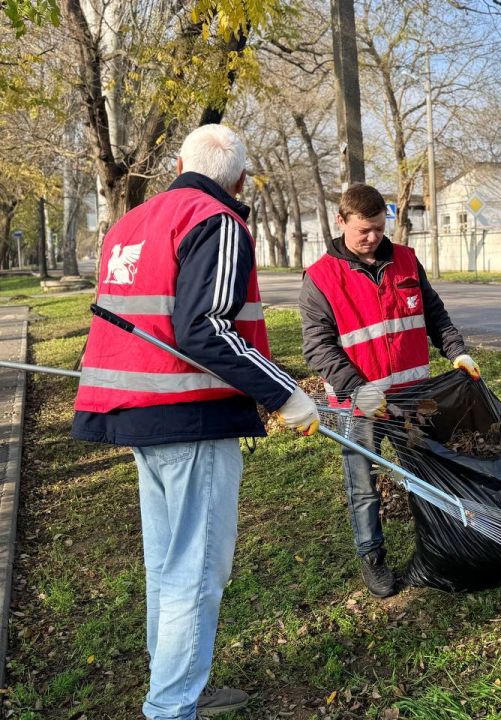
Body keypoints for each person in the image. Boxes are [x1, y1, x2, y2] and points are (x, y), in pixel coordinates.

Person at [72, 124, 320, 720]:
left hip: (133, 416)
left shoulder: (130, 222)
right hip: (189, 419)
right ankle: (172, 706)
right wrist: (286, 395)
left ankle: (177, 686)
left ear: (178, 161)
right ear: (238, 179)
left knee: (169, 565)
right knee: (197, 570)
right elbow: (206, 328)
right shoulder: (218, 220)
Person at [299, 183, 479, 598]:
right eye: (364, 230)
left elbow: (434, 313)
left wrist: (457, 351)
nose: (374, 238)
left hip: (413, 399)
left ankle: (438, 548)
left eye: (380, 228)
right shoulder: (321, 278)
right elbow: (318, 347)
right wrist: (358, 388)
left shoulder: (407, 261)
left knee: (426, 475)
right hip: (358, 406)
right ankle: (372, 557)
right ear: (341, 222)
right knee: (362, 483)